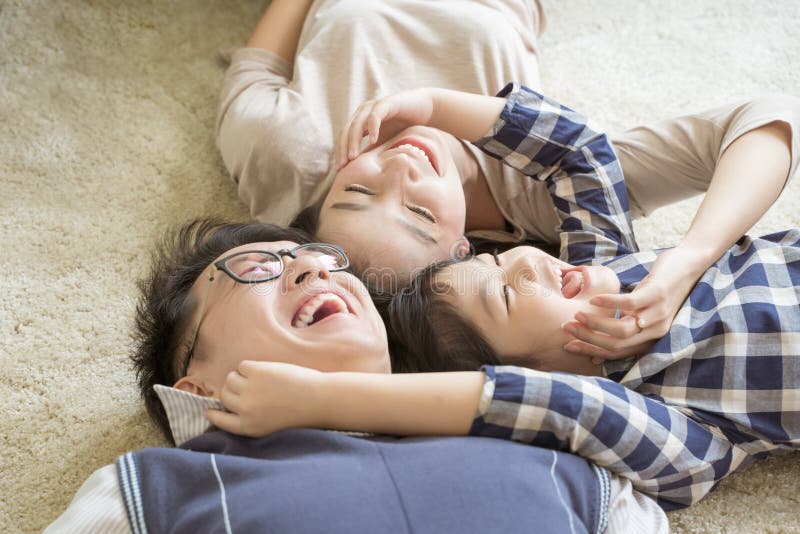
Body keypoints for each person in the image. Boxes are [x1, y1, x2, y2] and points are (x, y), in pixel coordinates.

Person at [200, 85, 800, 511]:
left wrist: (434, 104)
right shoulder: (666, 416)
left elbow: (580, 152)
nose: (533, 260)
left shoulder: (597, 265)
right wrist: (326, 399)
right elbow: (552, 405)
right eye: (509, 296)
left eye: (498, 259)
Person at [217, 0, 800, 360]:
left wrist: (430, 103)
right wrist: (686, 263)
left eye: (359, 189)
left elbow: (255, 66)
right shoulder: (546, 193)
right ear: (463, 252)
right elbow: (766, 118)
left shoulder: (295, 160)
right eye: (420, 214)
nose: (401, 166)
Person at [45, 219, 668, 533]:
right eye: (258, 268)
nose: (312, 267)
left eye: (317, 256)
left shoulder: (549, 438)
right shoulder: (154, 491)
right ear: (198, 387)